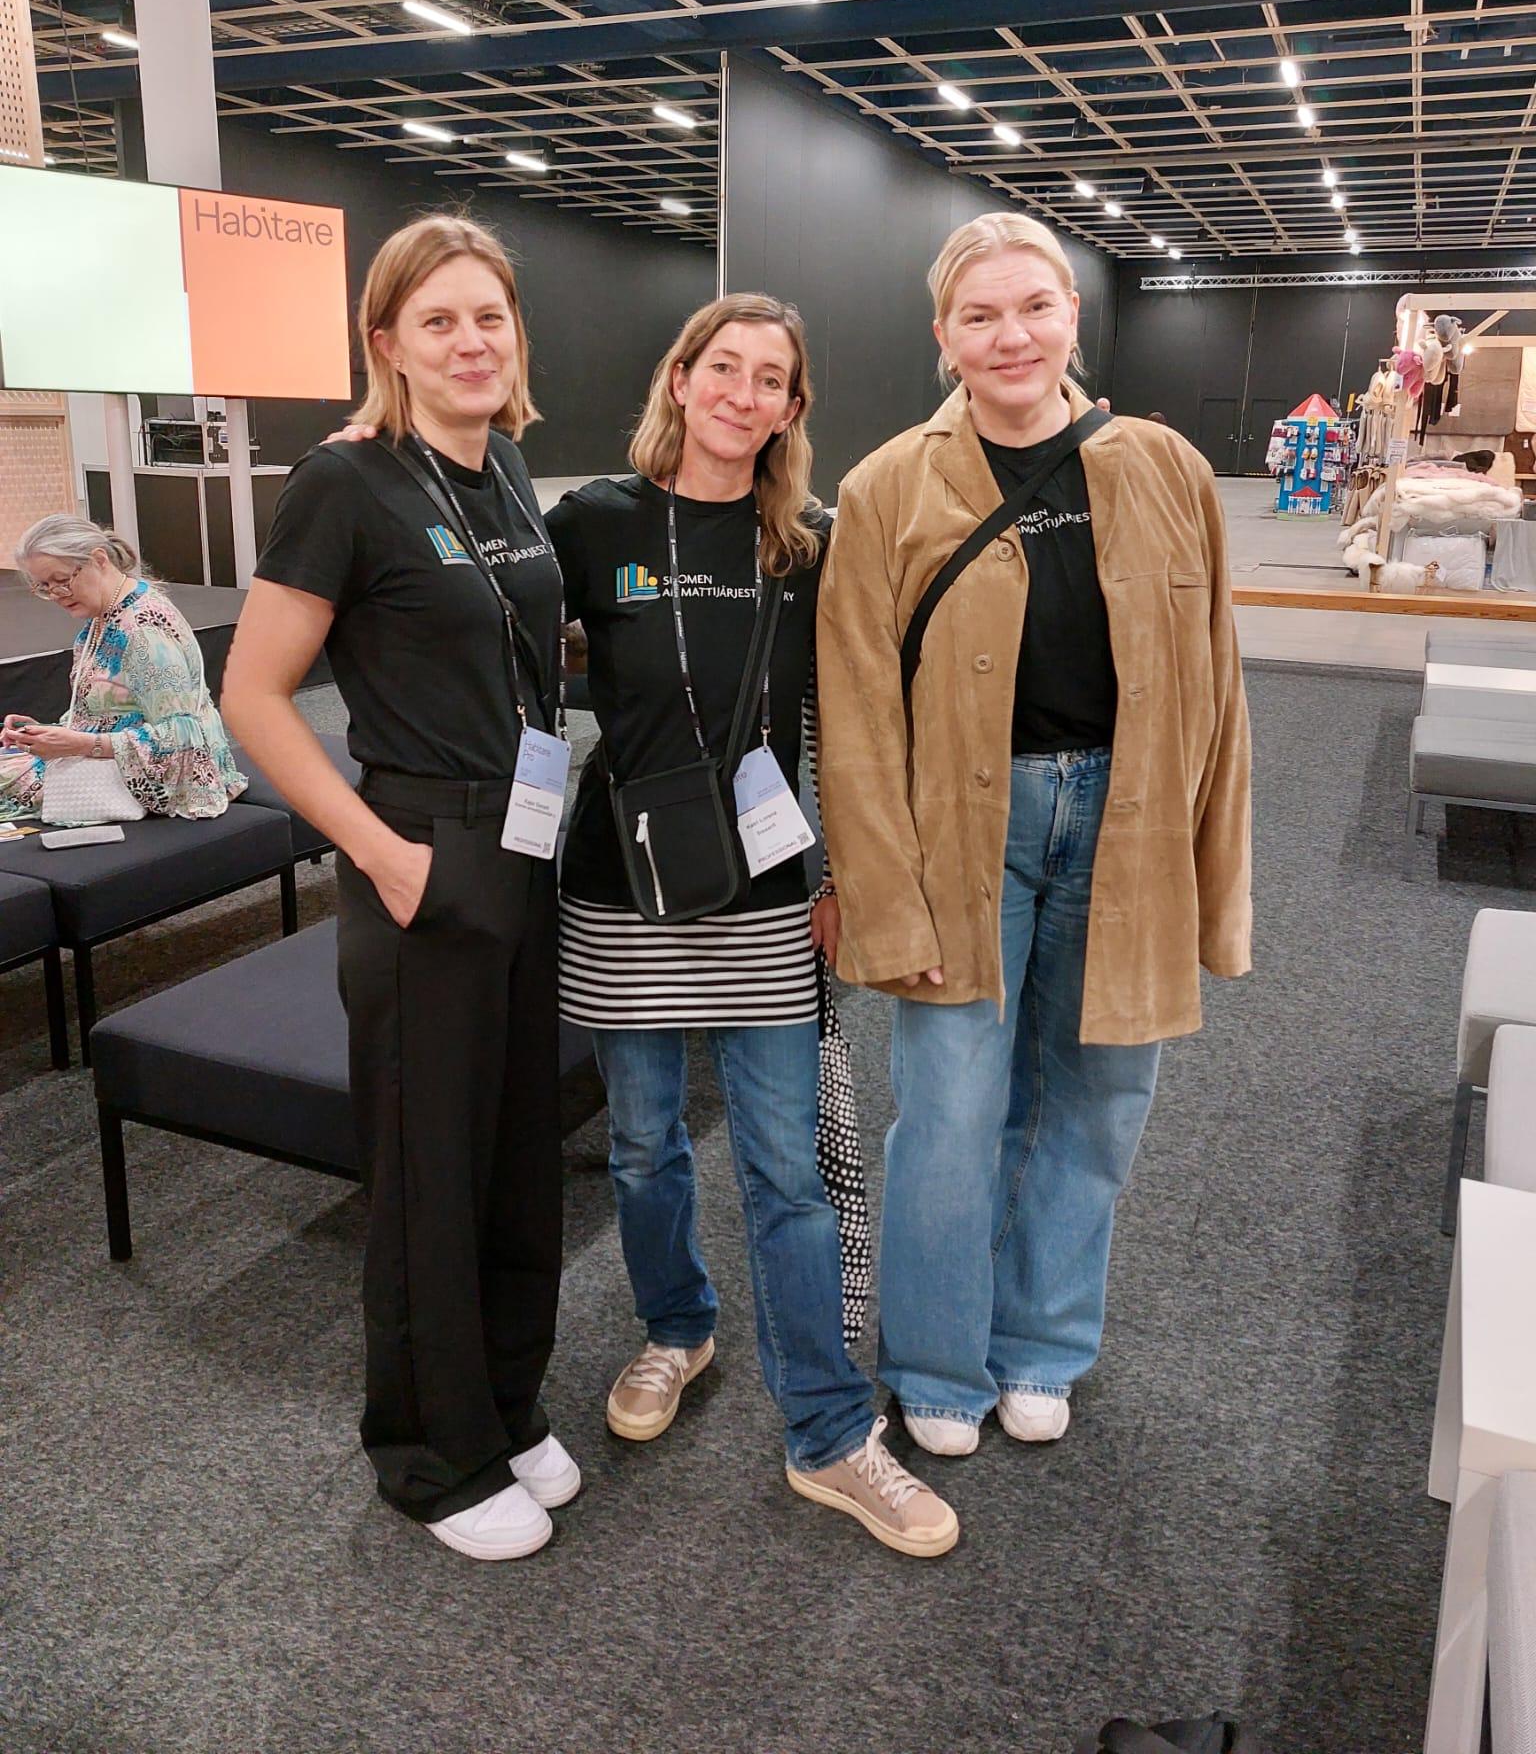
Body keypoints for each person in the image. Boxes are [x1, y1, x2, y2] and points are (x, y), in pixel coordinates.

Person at [817, 211, 1251, 1459]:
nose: (1011, 335)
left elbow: (1218, 683)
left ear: (1072, 316)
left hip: (1130, 823)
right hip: (963, 829)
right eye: (980, 314)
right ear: (943, 335)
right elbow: (855, 714)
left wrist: (1215, 871)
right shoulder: (887, 486)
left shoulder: (1165, 466)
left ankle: (1044, 1342)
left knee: (1099, 1099)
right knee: (952, 1109)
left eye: (1034, 306)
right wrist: (882, 893)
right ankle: (937, 1362)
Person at [546, 294, 957, 1559]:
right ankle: (677, 1329)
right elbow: (508, 670)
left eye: (769, 377)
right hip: (623, 882)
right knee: (642, 1145)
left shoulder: (805, 542)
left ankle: (830, 1430)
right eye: (722, 366)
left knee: (786, 1169)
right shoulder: (595, 520)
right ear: (680, 377)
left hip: (768, 889)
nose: (741, 392)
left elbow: (845, 722)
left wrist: (844, 877)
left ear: (790, 406)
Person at [221, 215, 571, 1563]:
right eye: (439, 320)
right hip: (418, 847)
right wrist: (377, 850)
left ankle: (506, 1404)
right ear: (388, 342)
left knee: (516, 1153)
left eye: (490, 316)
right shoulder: (345, 481)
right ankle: (431, 1455)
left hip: (523, 843)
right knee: (430, 1173)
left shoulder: (503, 465)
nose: (472, 341)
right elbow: (254, 694)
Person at [1, 517, 244, 821]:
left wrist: (80, 744)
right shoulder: (107, 614)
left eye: (61, 580)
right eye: (44, 587)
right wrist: (46, 734)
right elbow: (112, 711)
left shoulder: (143, 631)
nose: (56, 595)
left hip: (163, 777)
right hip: (115, 759)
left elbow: (183, 740)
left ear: (98, 559)